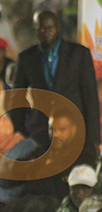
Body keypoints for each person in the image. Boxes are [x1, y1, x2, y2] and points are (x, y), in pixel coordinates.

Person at [12, 10, 100, 150]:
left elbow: (90, 97)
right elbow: (18, 98)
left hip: (73, 131)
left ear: (58, 27)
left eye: (49, 27)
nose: (45, 31)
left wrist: (93, 138)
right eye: (40, 28)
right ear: (35, 30)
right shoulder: (26, 58)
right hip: (40, 133)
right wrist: (18, 131)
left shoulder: (78, 54)